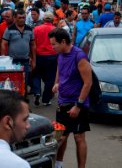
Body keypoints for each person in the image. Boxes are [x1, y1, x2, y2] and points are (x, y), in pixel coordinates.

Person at [49, 28, 92, 168]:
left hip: (77, 104)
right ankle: (58, 165)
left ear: (63, 42)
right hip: (62, 102)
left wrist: (78, 106)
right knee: (61, 136)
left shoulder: (79, 56)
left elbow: (88, 83)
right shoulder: (60, 54)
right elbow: (59, 69)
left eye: (54, 44)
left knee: (79, 137)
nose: (52, 47)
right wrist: (56, 83)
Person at [1, 9, 36, 95]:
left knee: (25, 81)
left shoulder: (29, 29)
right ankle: (15, 99)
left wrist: (34, 60)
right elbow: (3, 43)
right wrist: (4, 58)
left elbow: (33, 45)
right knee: (14, 82)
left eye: (23, 18)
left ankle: (23, 98)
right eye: (20, 18)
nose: (22, 19)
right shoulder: (9, 29)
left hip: (25, 60)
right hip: (13, 61)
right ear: (15, 18)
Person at [33, 12, 58, 106]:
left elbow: (33, 43)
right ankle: (46, 99)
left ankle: (37, 92)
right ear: (52, 20)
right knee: (50, 78)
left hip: (39, 55)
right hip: (52, 56)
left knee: (36, 75)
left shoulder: (36, 29)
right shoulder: (55, 30)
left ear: (43, 20)